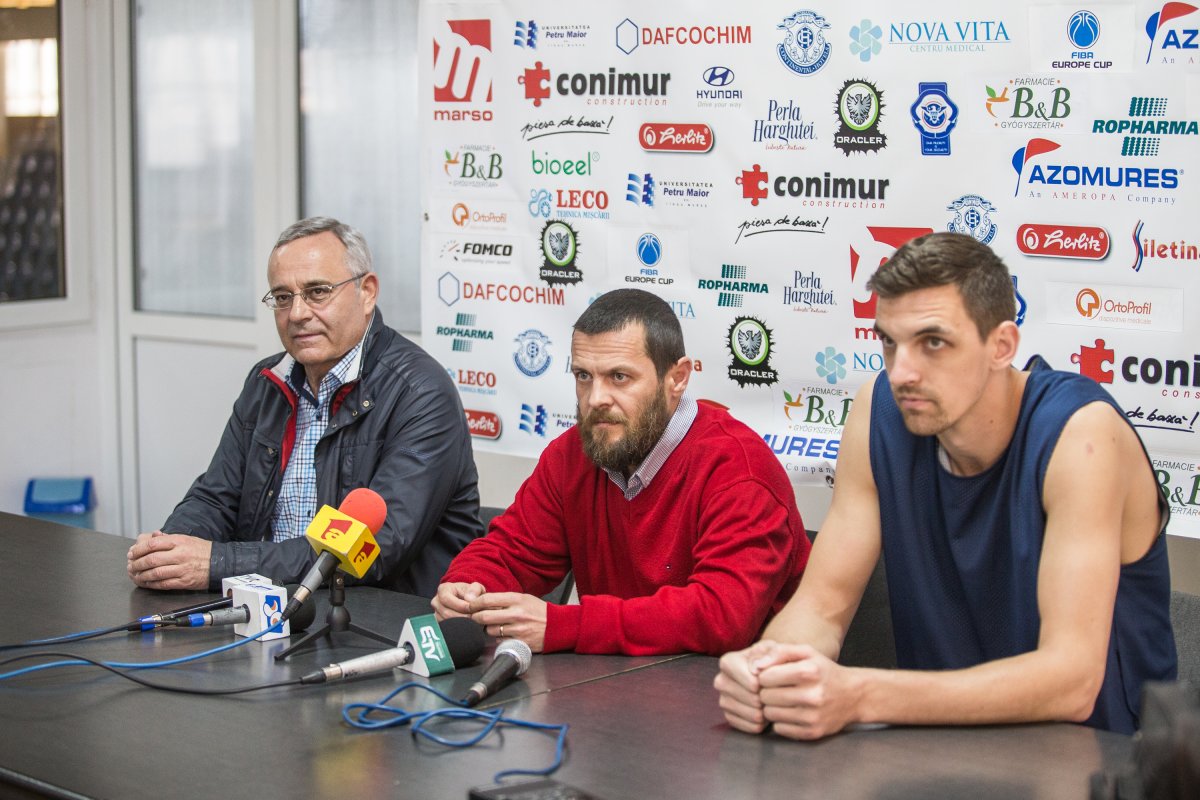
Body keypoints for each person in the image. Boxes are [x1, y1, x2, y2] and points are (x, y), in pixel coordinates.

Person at [715, 232, 1176, 738]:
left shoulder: (1080, 433)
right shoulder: (881, 411)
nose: (902, 371)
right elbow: (822, 607)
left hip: (1099, 763)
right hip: (939, 751)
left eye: (933, 342)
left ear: (1002, 346)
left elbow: (1071, 680)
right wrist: (770, 668)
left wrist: (861, 695)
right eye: (890, 342)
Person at [432, 288, 810, 655]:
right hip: (618, 689)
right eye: (583, 376)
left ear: (677, 378)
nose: (595, 398)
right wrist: (466, 586)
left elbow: (722, 616)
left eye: (619, 377)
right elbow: (511, 551)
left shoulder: (739, 470)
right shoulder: (572, 454)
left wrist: (566, 625)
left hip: (738, 695)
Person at [126, 216, 481, 595]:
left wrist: (215, 564)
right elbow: (217, 496)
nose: (297, 314)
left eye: (317, 292)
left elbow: (373, 549)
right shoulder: (267, 381)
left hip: (379, 622)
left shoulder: (421, 392)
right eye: (282, 297)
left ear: (367, 292)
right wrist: (171, 551)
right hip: (273, 607)